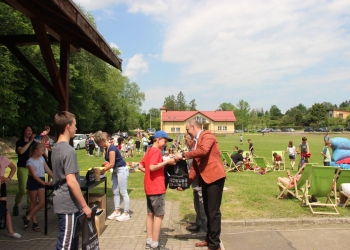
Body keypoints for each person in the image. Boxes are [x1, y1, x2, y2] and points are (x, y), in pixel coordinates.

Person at [175, 119, 226, 250]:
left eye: (187, 130)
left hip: (215, 177)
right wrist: (186, 184)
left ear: (193, 127)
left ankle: (215, 245)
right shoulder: (196, 143)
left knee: (213, 212)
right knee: (208, 211)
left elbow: (203, 152)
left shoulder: (207, 135)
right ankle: (209, 239)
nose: (187, 133)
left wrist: (183, 155)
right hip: (205, 179)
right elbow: (194, 168)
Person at [51, 111, 92, 250]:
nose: (76, 128)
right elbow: (71, 181)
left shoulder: (56, 148)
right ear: (68, 126)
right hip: (67, 205)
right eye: (75, 125)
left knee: (72, 243)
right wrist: (85, 206)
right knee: (65, 245)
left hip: (64, 202)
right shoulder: (68, 150)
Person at [138, 131, 176, 250]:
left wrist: (149, 173)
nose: (165, 144)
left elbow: (140, 166)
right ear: (158, 139)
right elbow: (152, 167)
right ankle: (155, 244)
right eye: (165, 141)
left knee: (150, 214)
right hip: (157, 188)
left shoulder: (149, 150)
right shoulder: (155, 151)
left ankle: (149, 241)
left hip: (149, 187)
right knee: (159, 215)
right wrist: (167, 162)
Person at [95, 131, 131, 222]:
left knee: (123, 191)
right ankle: (117, 211)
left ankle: (126, 213)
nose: (99, 146)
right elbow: (110, 163)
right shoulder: (106, 148)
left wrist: (103, 170)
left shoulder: (111, 148)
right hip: (115, 171)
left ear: (102, 141)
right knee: (115, 191)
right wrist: (105, 164)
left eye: (99, 144)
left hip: (121, 170)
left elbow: (111, 164)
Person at [22, 142, 53, 232]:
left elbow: (47, 169)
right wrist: (44, 183)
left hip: (41, 180)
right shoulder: (30, 162)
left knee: (42, 202)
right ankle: (34, 223)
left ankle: (27, 217)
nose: (43, 152)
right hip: (33, 181)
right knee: (33, 202)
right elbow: (34, 176)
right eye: (42, 150)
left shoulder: (41, 158)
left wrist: (55, 177)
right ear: (36, 151)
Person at [184, 134, 207, 233]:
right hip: (194, 183)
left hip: (200, 182)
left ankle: (204, 229)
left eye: (187, 140)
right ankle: (198, 223)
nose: (186, 142)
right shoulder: (191, 150)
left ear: (192, 140)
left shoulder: (197, 150)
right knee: (197, 204)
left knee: (202, 205)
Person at [13, 125, 35, 216]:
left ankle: (29, 209)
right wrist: (30, 142)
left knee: (31, 189)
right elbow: (21, 151)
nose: (29, 132)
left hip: (31, 168)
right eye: (28, 130)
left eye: (31, 131)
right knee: (23, 189)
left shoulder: (33, 143)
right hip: (22, 167)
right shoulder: (19, 142)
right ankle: (16, 204)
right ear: (24, 131)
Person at [0, 155, 21, 238]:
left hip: (1, 186)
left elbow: (13, 167)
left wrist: (8, 178)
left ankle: (10, 231)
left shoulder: (3, 158)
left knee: (5, 208)